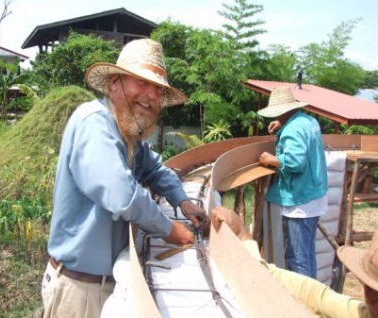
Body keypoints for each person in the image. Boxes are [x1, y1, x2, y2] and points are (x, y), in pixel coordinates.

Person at [40, 38, 207, 318]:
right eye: (141, 82)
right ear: (115, 83)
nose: (150, 95)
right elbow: (123, 196)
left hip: (103, 284)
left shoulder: (127, 133)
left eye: (157, 89)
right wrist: (169, 229)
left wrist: (183, 201)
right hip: (80, 288)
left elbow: (155, 169)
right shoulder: (94, 123)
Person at [212, 205, 375, 318]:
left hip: (300, 209)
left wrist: (243, 237)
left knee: (299, 256)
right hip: (305, 207)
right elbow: (317, 296)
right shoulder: (362, 313)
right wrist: (243, 237)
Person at [258, 86, 328, 279]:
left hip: (301, 201)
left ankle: (304, 304)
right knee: (307, 253)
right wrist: (282, 124)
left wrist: (271, 159)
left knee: (297, 258)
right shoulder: (308, 120)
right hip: (314, 195)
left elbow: (295, 162)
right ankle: (314, 296)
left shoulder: (293, 129)